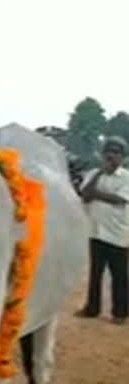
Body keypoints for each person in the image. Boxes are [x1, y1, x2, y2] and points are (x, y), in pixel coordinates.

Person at [76, 136, 129, 324]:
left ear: (123, 157)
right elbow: (84, 194)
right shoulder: (93, 174)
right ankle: (92, 309)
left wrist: (95, 195)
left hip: (118, 234)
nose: (111, 156)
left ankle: (120, 313)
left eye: (116, 153)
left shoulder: (126, 177)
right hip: (96, 232)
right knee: (95, 273)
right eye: (108, 152)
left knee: (120, 276)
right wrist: (99, 175)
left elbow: (119, 199)